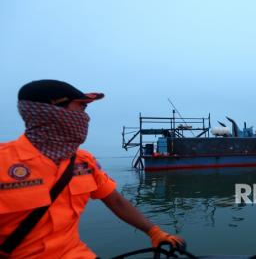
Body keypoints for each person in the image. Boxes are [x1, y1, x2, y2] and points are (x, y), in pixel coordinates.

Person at [0, 80, 185, 258]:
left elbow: (116, 201)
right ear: (51, 112)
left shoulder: (83, 161)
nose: (86, 117)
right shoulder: (4, 162)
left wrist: (154, 232)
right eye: (81, 107)